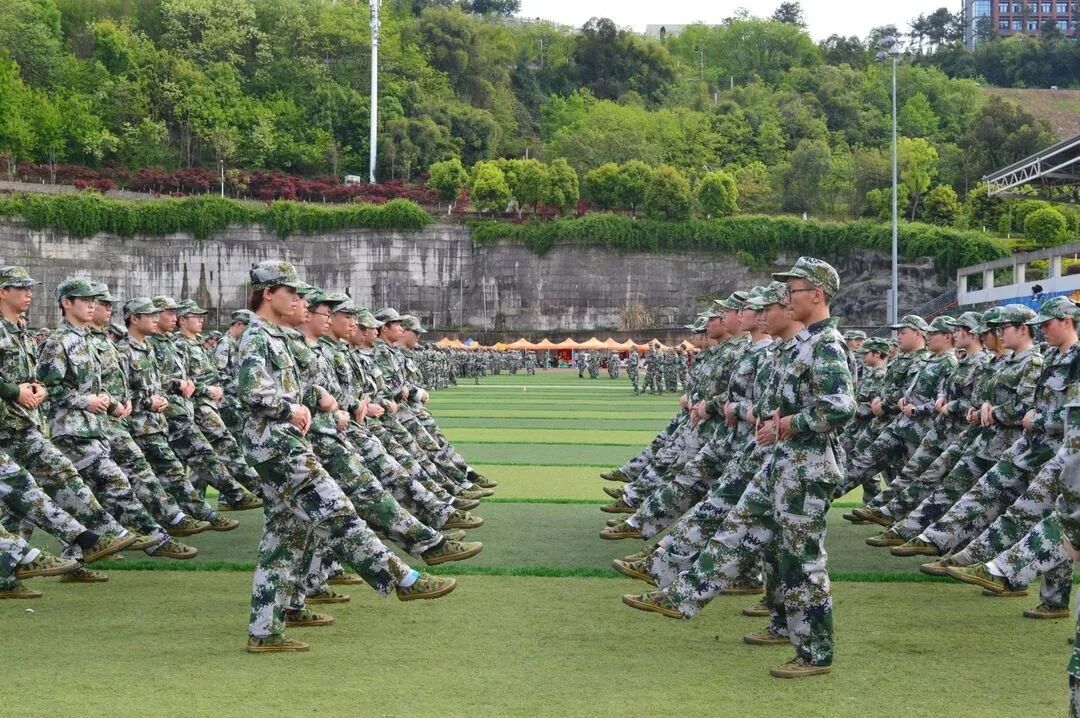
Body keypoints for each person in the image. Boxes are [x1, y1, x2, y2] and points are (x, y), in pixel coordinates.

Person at [237, 260, 457, 654]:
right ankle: (403, 579)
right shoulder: (257, 336)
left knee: (284, 538)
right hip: (277, 446)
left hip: (285, 443)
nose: (299, 300)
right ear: (268, 293)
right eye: (291, 292)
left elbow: (292, 387)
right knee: (337, 511)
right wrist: (290, 409)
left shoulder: (277, 337)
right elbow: (252, 392)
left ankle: (265, 631)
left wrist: (316, 398)